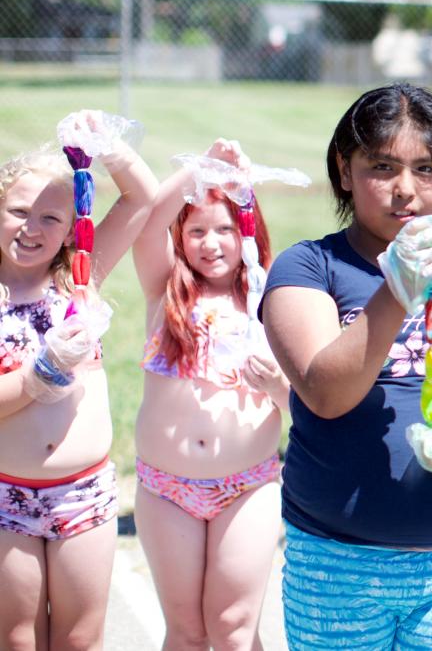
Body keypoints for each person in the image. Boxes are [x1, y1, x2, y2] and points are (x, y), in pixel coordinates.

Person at [260, 82, 432, 650]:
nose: (405, 191)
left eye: (426, 169)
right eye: (382, 167)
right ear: (345, 168)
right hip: (336, 565)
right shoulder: (309, 267)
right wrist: (396, 290)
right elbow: (325, 393)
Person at [0, 112, 158, 650]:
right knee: (17, 638)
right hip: (6, 496)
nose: (32, 228)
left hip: (82, 493)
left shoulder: (78, 279)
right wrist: (38, 375)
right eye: (18, 211)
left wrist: (106, 145)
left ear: (73, 229)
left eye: (51, 218)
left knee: (79, 639)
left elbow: (142, 198)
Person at [131, 138, 288, 649]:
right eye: (196, 230)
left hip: (247, 486)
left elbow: (304, 403)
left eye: (224, 229)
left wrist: (277, 386)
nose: (210, 242)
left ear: (247, 231)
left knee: (234, 628)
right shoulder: (166, 289)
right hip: (166, 488)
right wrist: (203, 168)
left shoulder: (271, 295)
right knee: (187, 631)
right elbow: (150, 219)